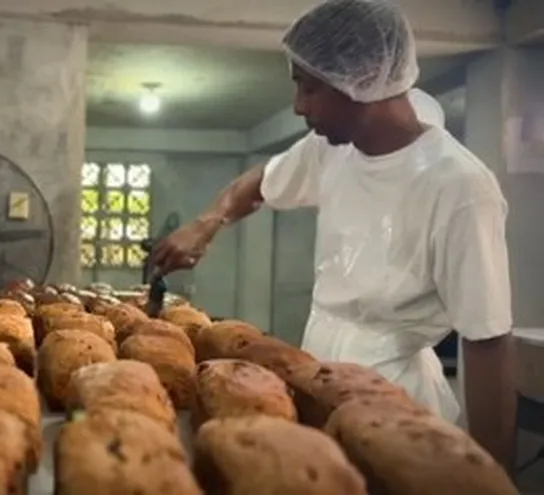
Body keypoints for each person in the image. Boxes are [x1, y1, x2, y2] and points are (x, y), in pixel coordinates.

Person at [151, 0, 516, 469]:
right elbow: (258, 183)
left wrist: (490, 473)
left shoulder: (459, 187)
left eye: (310, 88)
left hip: (393, 407)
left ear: (362, 84)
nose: (299, 106)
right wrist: (205, 223)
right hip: (316, 383)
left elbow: (487, 341)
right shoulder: (330, 150)